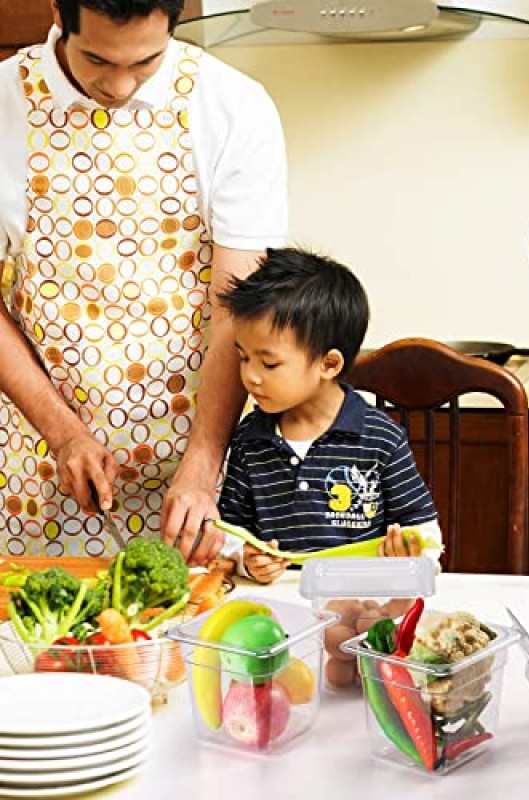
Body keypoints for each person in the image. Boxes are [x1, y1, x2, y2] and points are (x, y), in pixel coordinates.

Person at [0, 0, 287, 562]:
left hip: (194, 462)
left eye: (147, 60)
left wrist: (203, 465)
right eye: (98, 60)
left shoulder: (233, 106)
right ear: (58, 12)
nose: (121, 85)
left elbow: (239, 307)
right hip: (38, 465)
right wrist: (63, 433)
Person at [208, 246, 443, 584]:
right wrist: (247, 560)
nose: (250, 376)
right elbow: (230, 531)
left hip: (363, 605)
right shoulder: (250, 439)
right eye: (244, 358)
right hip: (279, 610)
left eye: (269, 363)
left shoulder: (379, 437)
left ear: (329, 364)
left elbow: (425, 533)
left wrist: (411, 557)